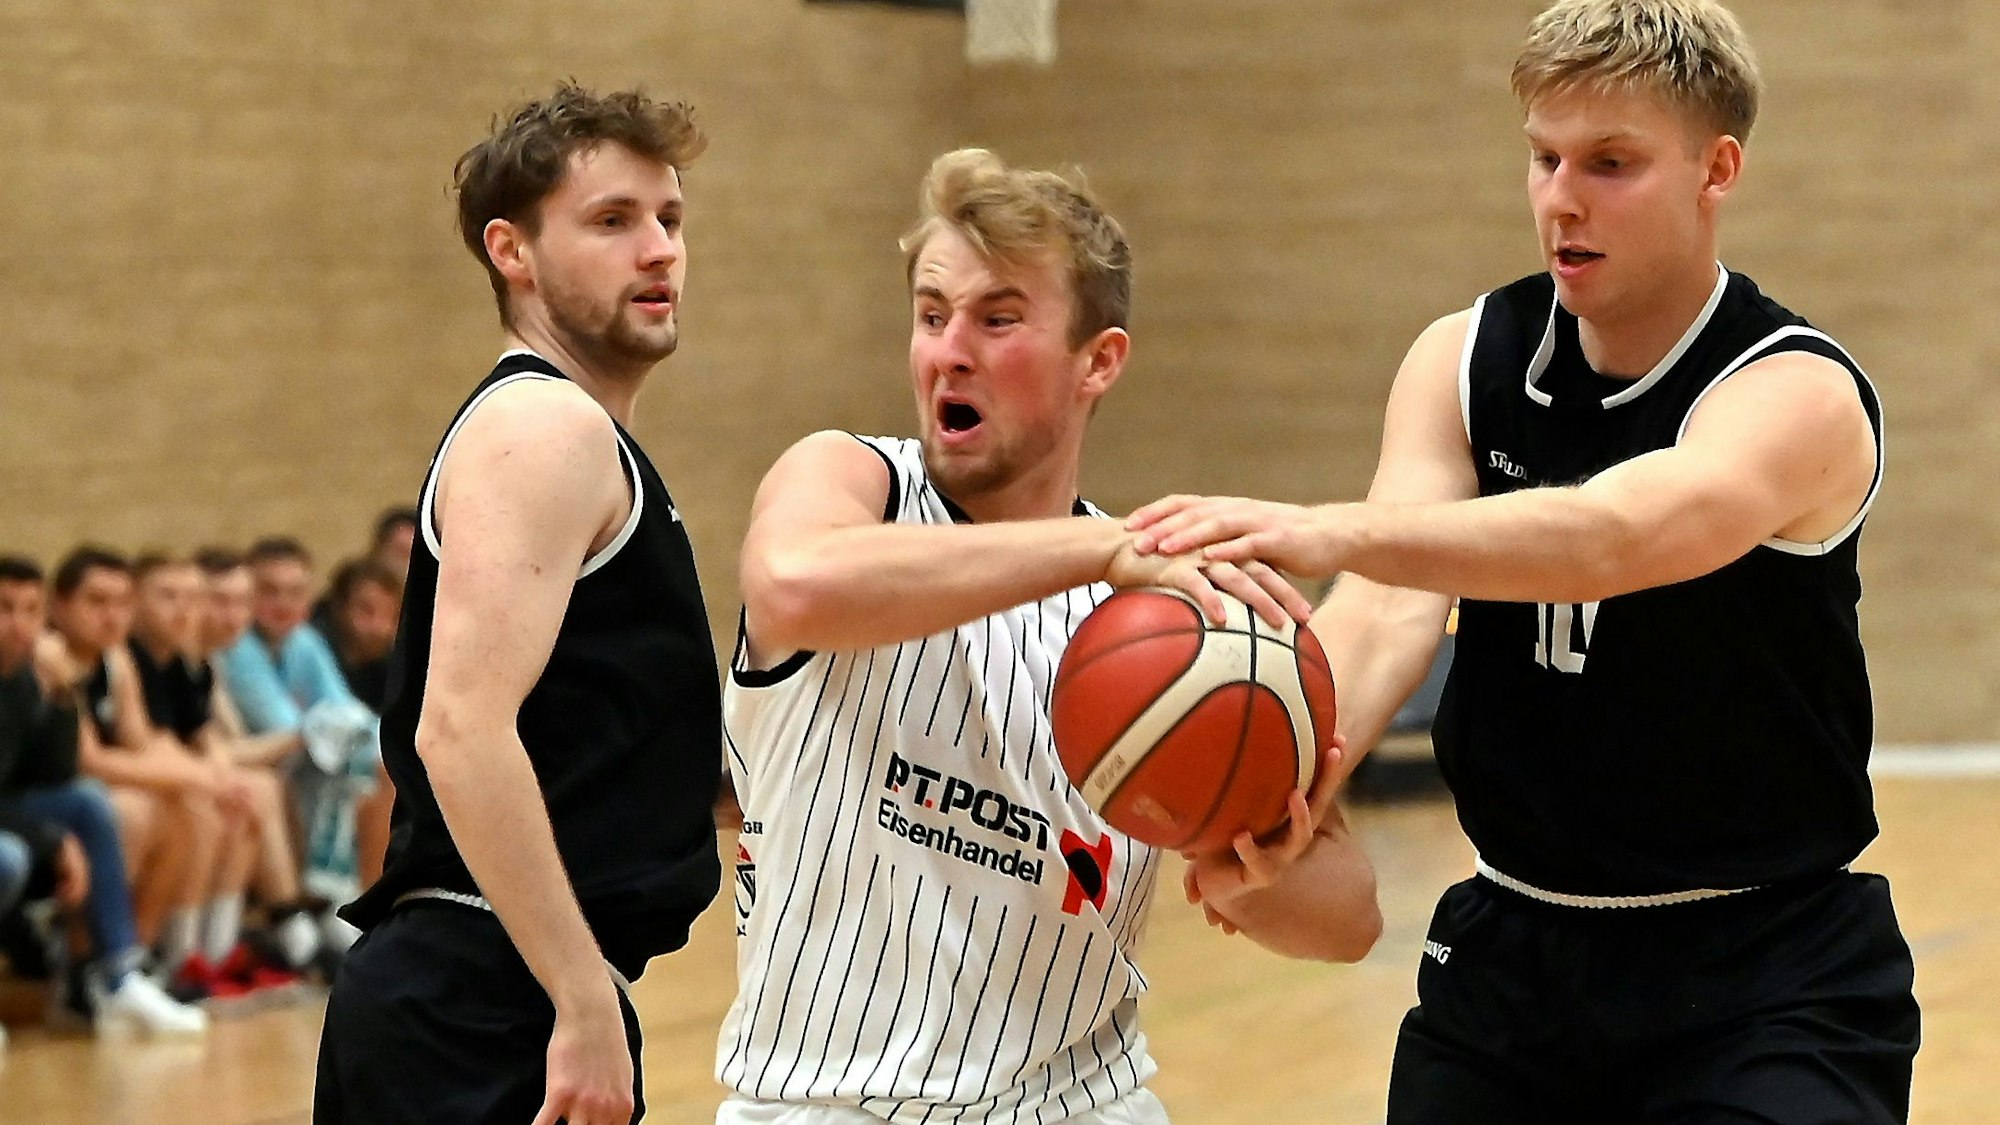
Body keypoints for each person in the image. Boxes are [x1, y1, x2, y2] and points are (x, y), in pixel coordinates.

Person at [1128, 1, 1920, 1120]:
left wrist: (1328, 527)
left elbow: (1616, 536)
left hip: (1767, 963)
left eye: (1610, 163)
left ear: (1715, 169)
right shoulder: (1463, 358)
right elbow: (1384, 613)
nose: (1561, 195)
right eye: (1543, 158)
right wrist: (1280, 778)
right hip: (1516, 954)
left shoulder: (1793, 391)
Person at [715, 148, 1317, 1125]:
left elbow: (1345, 924)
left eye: (997, 319)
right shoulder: (849, 484)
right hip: (821, 1105)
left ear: (1099, 361)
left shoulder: (1159, 616)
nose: (948, 348)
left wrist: (1267, 859)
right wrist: (1097, 549)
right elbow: (793, 586)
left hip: (1080, 1104)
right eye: (929, 314)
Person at [315, 82, 727, 1125]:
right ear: (513, 253)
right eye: (612, 221)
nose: (659, 250)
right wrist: (580, 996)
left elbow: (595, 747)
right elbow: (458, 729)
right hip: (485, 1001)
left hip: (498, 991)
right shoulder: (546, 428)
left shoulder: (579, 439)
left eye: (669, 220)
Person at [0, 555, 207, 1035]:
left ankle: (120, 977)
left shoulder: (30, 673)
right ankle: (75, 968)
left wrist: (58, 694)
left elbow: (58, 769)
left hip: (14, 809)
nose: (19, 625)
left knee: (88, 803)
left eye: (30, 610)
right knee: (10, 856)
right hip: (9, 827)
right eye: (6, 609)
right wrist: (50, 841)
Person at [216, 536, 385, 907]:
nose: (284, 604)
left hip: (286, 757)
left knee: (384, 761)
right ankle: (326, 907)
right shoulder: (237, 648)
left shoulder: (303, 642)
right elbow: (285, 723)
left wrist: (332, 726)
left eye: (295, 592)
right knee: (357, 774)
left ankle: (367, 901)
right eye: (270, 592)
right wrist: (325, 726)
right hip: (262, 763)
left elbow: (348, 712)